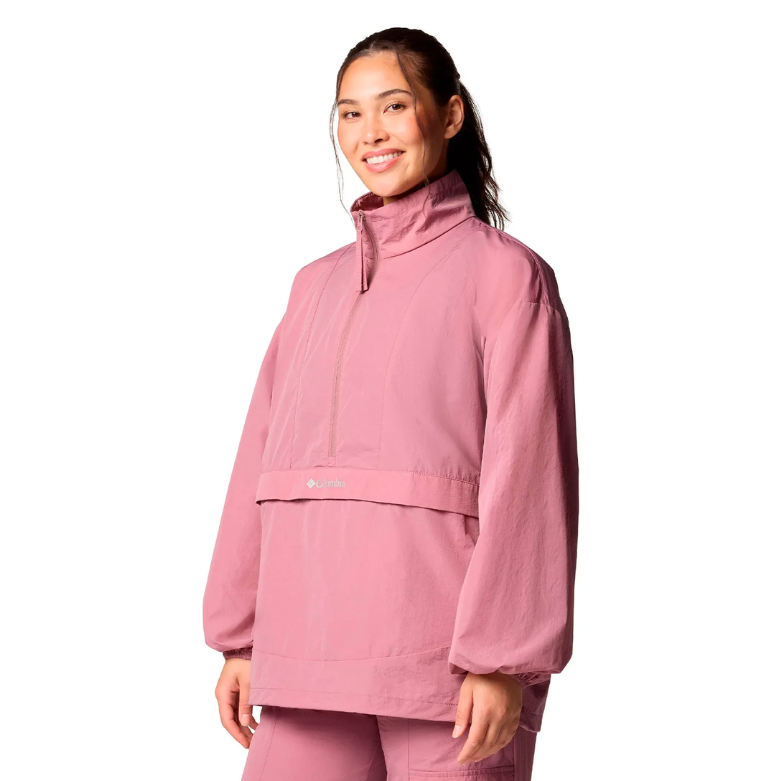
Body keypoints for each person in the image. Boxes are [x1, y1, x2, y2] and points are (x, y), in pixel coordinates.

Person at [203, 27, 579, 781]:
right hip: (304, 646)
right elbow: (261, 462)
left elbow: (530, 479)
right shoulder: (313, 285)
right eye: (349, 113)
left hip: (447, 666)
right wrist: (240, 637)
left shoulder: (507, 277)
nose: (369, 131)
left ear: (450, 115)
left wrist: (501, 658)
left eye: (394, 105)